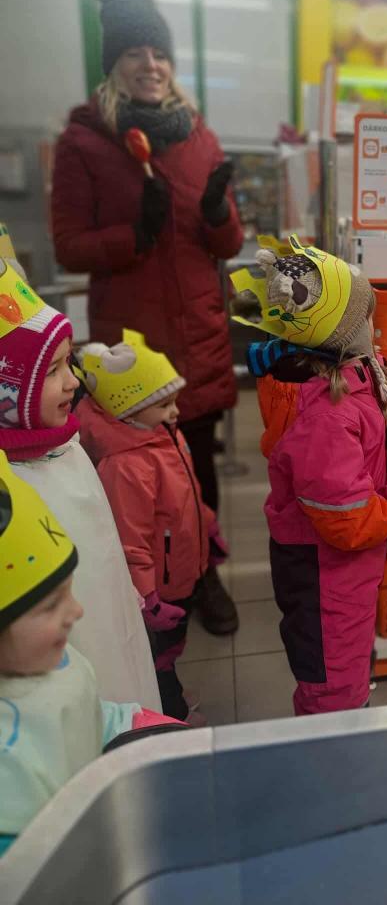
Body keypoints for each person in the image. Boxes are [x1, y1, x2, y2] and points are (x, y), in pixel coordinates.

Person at [50, 0, 243, 635]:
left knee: (196, 469)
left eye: (158, 52)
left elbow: (227, 242)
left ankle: (205, 575)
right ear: (115, 63)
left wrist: (216, 214)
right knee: (136, 479)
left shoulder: (198, 137)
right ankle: (148, 588)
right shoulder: (85, 142)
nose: (149, 64)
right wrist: (134, 234)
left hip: (196, 339)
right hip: (131, 352)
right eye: (134, 52)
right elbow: (69, 245)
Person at [232, 237, 387, 714]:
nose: (375, 328)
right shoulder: (326, 415)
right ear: (342, 332)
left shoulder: (353, 381)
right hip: (324, 576)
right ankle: (333, 757)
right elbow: (349, 519)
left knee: (347, 677)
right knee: (333, 698)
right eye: (368, 317)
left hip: (348, 574)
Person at [0, 451, 182, 857]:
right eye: (51, 606)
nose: (77, 612)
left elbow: (88, 716)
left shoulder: (55, 663)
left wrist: (142, 725)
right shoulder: (8, 770)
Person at [0, 262, 160, 709]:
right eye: (52, 370)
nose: (73, 380)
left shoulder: (65, 444)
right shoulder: (10, 487)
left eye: (68, 362)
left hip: (111, 622)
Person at [76, 330, 225, 723]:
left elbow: (186, 494)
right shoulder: (126, 465)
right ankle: (169, 712)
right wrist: (148, 597)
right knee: (157, 652)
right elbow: (130, 541)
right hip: (160, 585)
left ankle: (169, 684)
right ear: (129, 409)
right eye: (163, 405)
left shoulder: (162, 435)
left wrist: (208, 526)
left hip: (181, 569)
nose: (175, 412)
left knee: (173, 644)